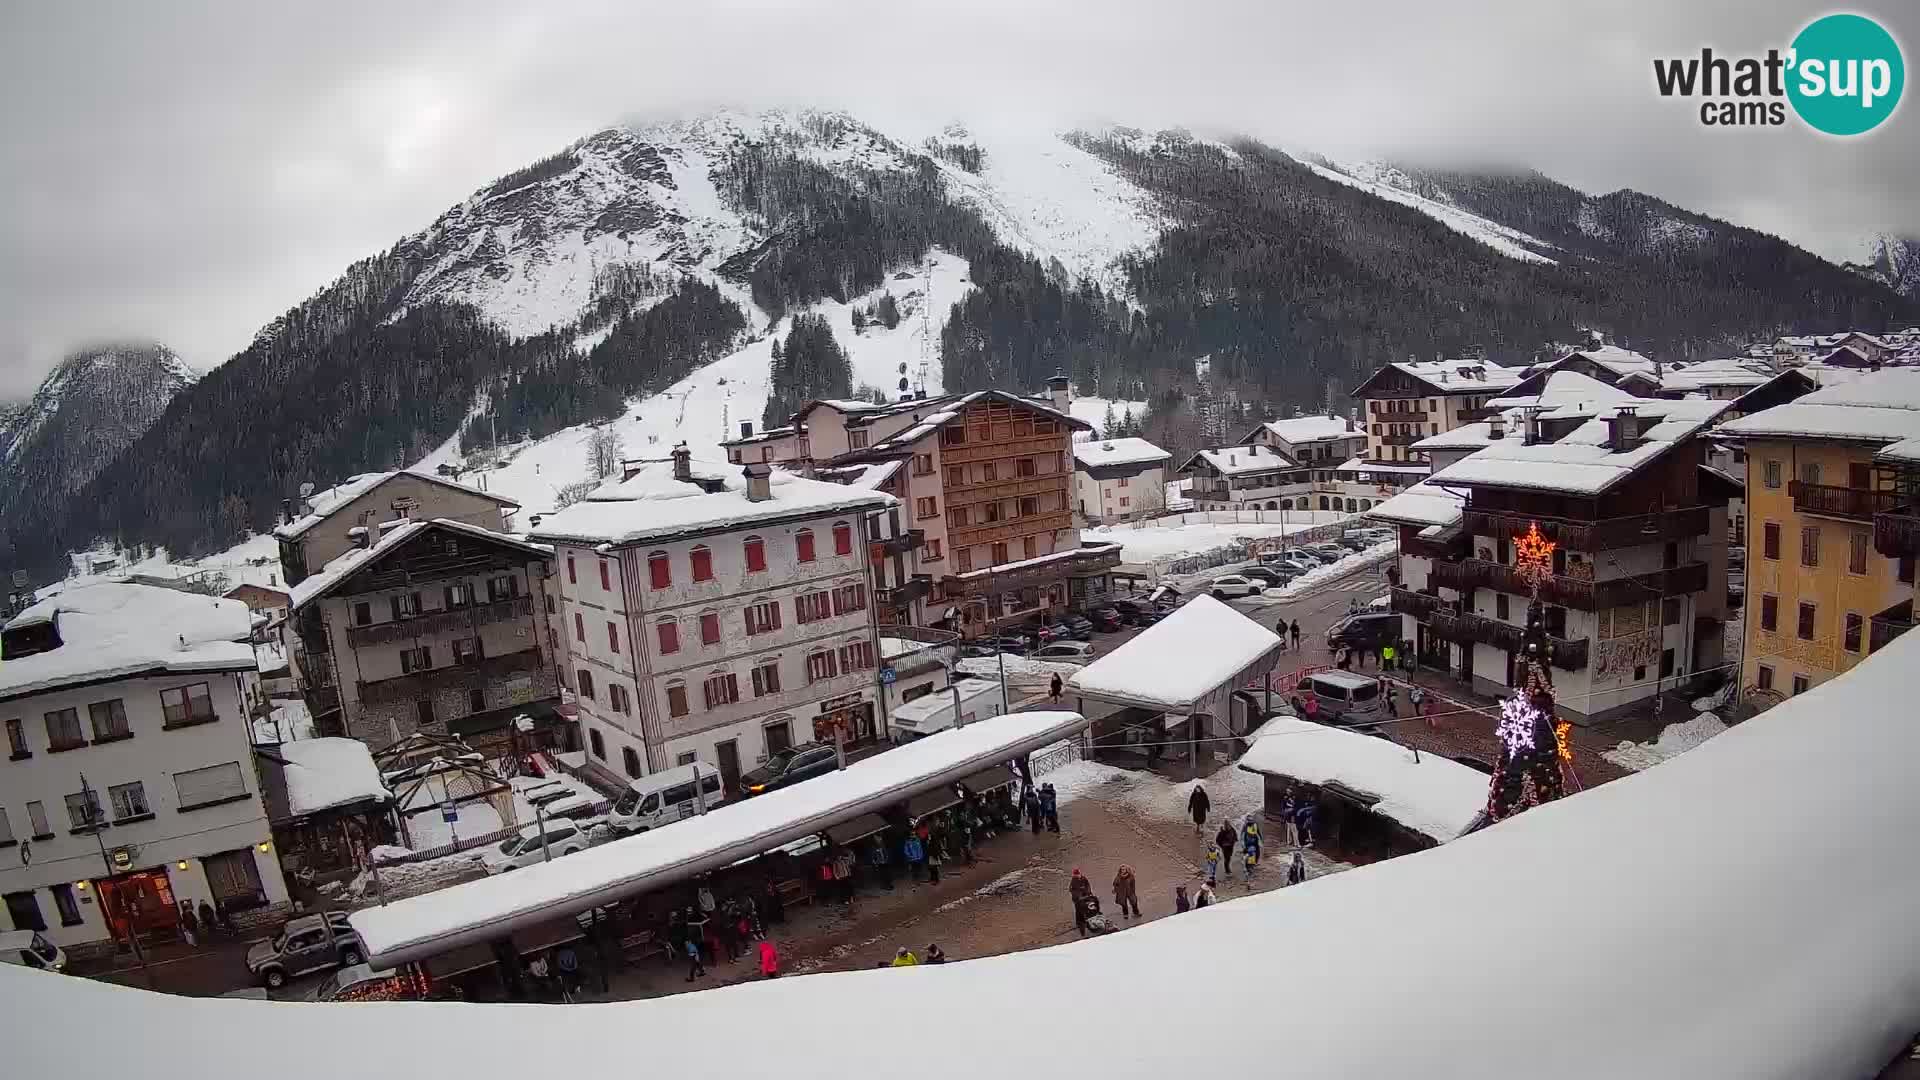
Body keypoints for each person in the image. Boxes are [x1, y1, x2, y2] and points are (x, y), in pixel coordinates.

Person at [1069, 869, 1095, 935]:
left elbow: (1088, 886)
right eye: (1075, 875)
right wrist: (1078, 895)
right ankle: (1079, 923)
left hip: (1085, 897)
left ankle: (1085, 922)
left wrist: (1088, 892)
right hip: (1077, 899)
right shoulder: (1073, 881)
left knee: (1086, 909)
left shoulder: (1084, 879)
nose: (1077, 876)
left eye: (1077, 874)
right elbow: (1071, 890)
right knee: (1078, 911)